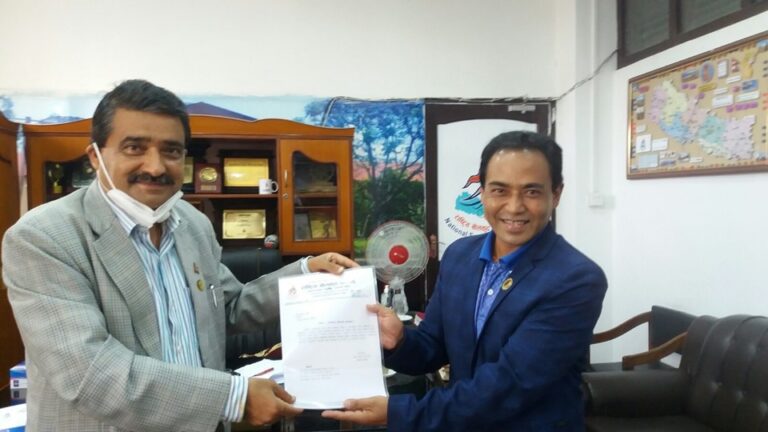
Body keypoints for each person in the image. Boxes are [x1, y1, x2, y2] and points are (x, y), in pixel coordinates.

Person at [2, 79, 357, 432]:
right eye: (134, 148)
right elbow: (91, 374)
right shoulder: (44, 237)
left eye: (171, 151)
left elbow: (227, 308)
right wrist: (233, 397)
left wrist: (305, 274)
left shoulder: (192, 224)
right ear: (96, 156)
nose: (156, 167)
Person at [323, 131, 607, 431]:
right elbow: (433, 345)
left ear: (556, 194)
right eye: (500, 190)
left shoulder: (576, 279)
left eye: (532, 192)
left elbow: (510, 385)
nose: (514, 206)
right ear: (482, 193)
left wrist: (399, 412)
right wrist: (399, 340)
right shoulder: (460, 256)